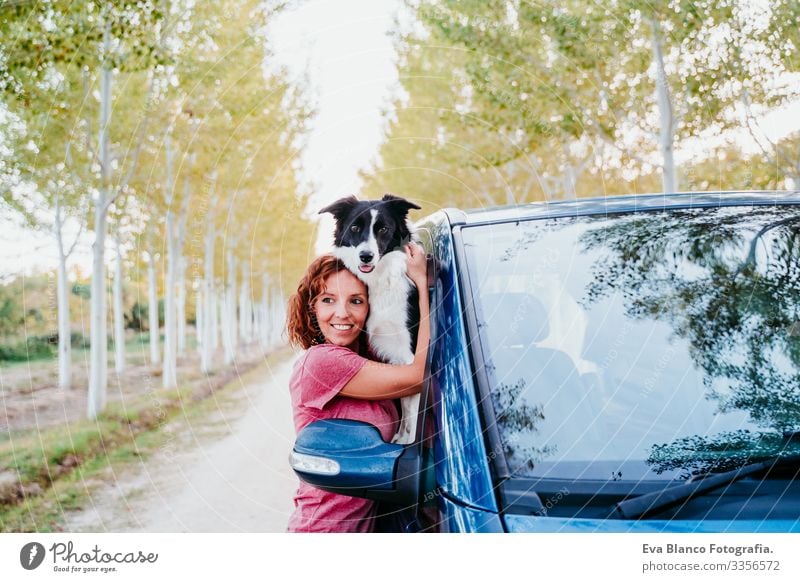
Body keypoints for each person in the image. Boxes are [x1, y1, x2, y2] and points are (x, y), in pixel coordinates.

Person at [284, 244, 430, 533]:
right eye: (328, 300)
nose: (343, 313)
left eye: (356, 301)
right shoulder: (321, 362)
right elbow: (419, 377)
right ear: (312, 307)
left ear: (370, 306)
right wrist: (422, 284)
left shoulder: (370, 358)